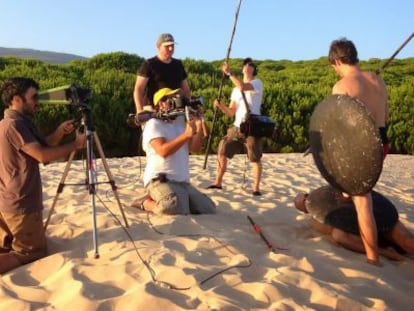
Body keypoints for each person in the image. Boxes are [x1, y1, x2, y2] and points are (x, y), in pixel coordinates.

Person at [0, 77, 85, 274]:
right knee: (30, 253)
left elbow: (41, 146)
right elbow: (41, 156)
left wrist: (59, 132)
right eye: (33, 97)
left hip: (7, 201)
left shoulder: (10, 122)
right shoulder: (15, 125)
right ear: (16, 99)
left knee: (6, 246)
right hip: (21, 205)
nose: (37, 101)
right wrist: (76, 145)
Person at [328, 38, 389, 265]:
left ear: (337, 61)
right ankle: (345, 198)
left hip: (362, 147)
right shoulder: (378, 81)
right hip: (382, 144)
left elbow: (339, 127)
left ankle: (373, 258)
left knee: (364, 202)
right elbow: (387, 115)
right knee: (352, 193)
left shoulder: (341, 87)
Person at [137, 87, 216, 214]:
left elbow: (194, 148)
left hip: (182, 182)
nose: (173, 101)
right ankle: (145, 203)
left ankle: (177, 200)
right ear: (160, 104)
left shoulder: (180, 123)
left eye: (174, 97)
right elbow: (163, 151)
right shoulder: (153, 124)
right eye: (169, 98)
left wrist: (199, 126)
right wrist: (186, 135)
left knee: (208, 208)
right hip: (160, 179)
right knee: (172, 207)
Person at [294, 186, 414, 261]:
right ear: (305, 211)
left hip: (380, 217)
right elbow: (335, 232)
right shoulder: (315, 219)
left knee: (408, 243)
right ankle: (386, 252)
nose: (306, 200)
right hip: (362, 233)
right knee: (338, 235)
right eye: (303, 203)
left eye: (305, 196)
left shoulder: (327, 191)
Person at [208, 58, 263, 196]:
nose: (247, 66)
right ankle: (218, 182)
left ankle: (256, 188)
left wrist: (229, 73)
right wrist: (221, 106)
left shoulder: (257, 83)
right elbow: (231, 112)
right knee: (222, 149)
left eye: (250, 65)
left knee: (254, 158)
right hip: (237, 126)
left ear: (254, 70)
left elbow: (243, 86)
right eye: (245, 64)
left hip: (252, 127)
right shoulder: (235, 89)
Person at [133, 33, 191, 113]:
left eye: (172, 46)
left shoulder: (178, 64)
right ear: (158, 47)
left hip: (175, 110)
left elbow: (186, 89)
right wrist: (139, 110)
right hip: (152, 110)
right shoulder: (149, 64)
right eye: (167, 46)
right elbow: (138, 89)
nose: (171, 49)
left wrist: (187, 107)